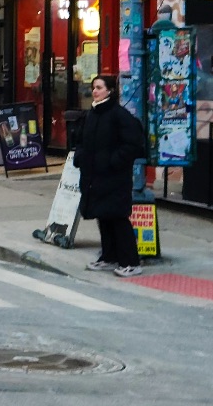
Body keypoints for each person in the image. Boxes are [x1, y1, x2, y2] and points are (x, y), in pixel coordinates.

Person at [76, 74, 148, 278]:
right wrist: (80, 157)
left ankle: (131, 262)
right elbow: (81, 140)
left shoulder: (119, 115)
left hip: (114, 178)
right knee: (103, 216)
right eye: (93, 88)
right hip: (95, 176)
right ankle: (109, 257)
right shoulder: (92, 113)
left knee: (117, 218)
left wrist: (113, 161)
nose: (95, 91)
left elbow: (133, 143)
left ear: (109, 90)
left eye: (99, 87)